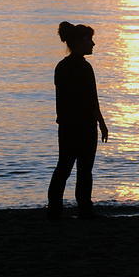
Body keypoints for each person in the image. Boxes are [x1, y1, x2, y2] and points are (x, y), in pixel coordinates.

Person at [47, 21, 109, 220]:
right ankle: (85, 209)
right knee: (84, 170)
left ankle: (54, 209)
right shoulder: (84, 67)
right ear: (80, 41)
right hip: (83, 126)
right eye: (90, 40)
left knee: (63, 167)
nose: (93, 44)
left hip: (66, 126)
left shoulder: (61, 67)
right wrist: (102, 123)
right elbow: (92, 101)